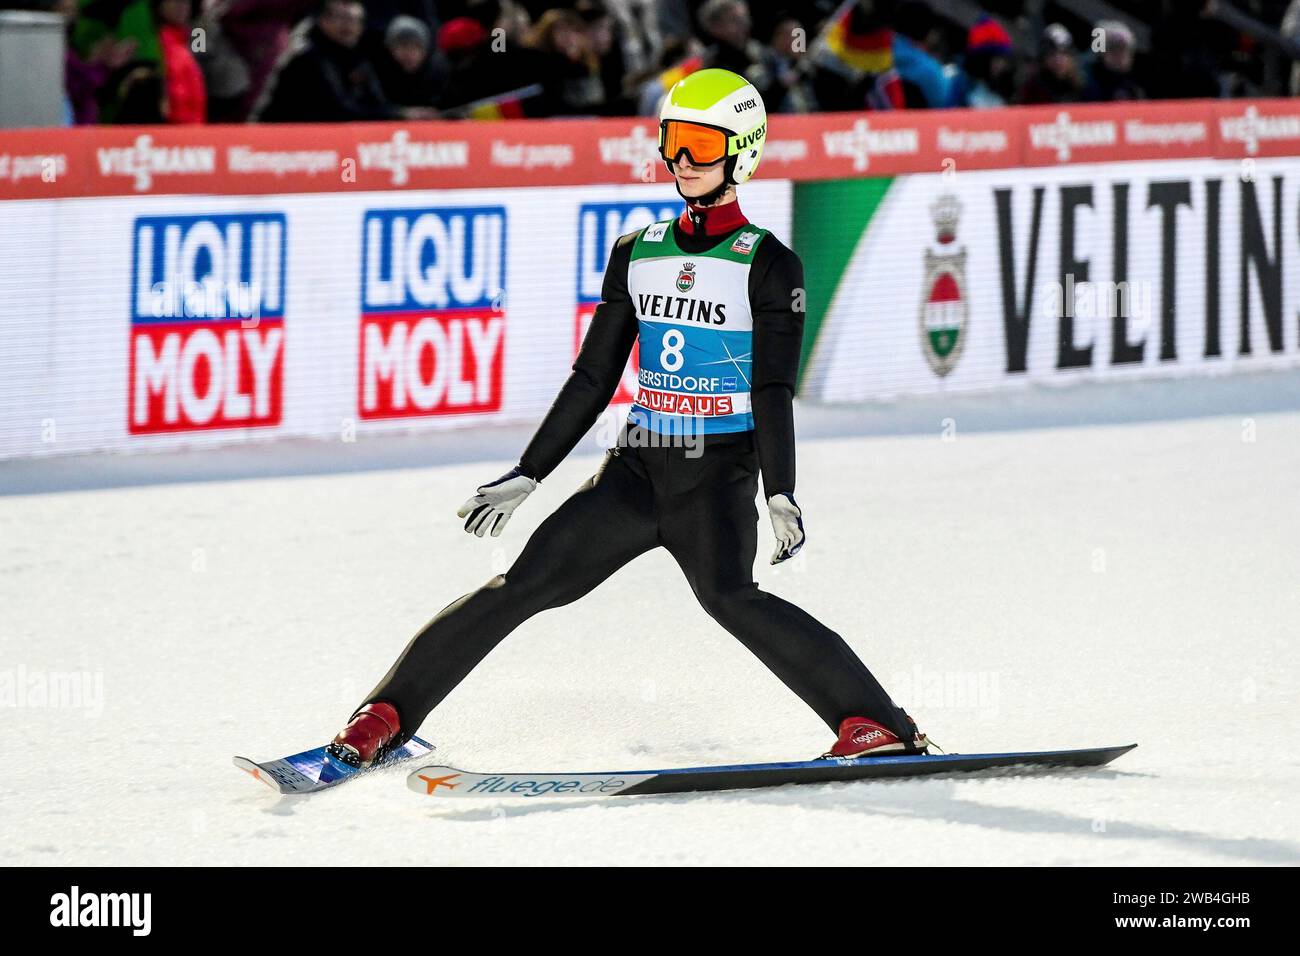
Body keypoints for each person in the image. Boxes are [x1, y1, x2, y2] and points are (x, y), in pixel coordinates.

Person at [327, 68, 928, 768]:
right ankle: (384, 717)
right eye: (673, 143)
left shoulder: (769, 264)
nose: (681, 162)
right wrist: (530, 472)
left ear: (743, 154)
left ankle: (876, 723)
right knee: (519, 587)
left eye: (702, 147)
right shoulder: (637, 250)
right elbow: (592, 376)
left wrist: (780, 490)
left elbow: (771, 390)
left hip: (715, 477)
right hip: (635, 471)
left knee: (732, 599)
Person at [252, 0, 393, 122]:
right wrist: (392, 115)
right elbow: (337, 110)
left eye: (356, 20)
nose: (349, 26)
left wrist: (398, 114)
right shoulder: (306, 57)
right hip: (289, 141)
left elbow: (376, 101)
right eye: (342, 18)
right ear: (323, 20)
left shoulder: (358, 59)